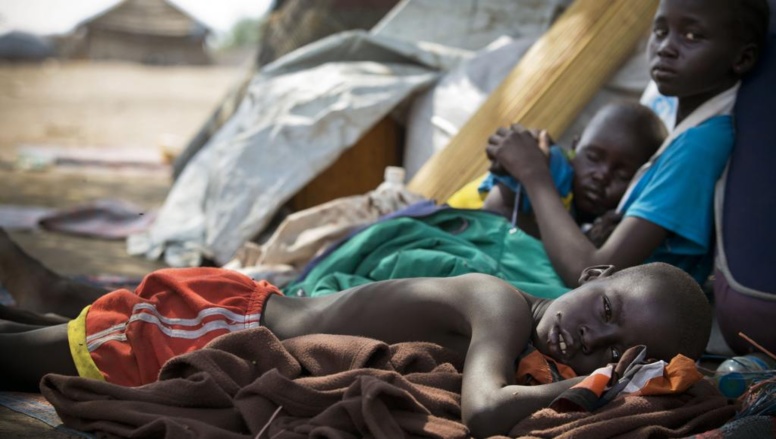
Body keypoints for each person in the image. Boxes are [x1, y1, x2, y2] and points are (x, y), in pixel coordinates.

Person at [0, 262, 711, 437]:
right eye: (605, 310)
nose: (593, 338)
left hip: (236, 304)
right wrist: (592, 384)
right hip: (213, 326)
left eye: (621, 345)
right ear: (591, 276)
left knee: (34, 337)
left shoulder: (525, 332)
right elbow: (488, 409)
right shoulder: (498, 304)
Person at [485, 0, 770, 287]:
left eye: (692, 36)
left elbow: (591, 273)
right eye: (660, 31)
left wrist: (534, 173)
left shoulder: (701, 146)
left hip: (609, 309)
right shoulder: (691, 130)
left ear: (742, 58)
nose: (665, 47)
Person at [479, 101, 667, 239]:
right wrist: (580, 241)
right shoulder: (547, 164)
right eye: (593, 158)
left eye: (622, 175)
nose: (601, 175)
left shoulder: (615, 222)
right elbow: (495, 210)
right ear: (575, 147)